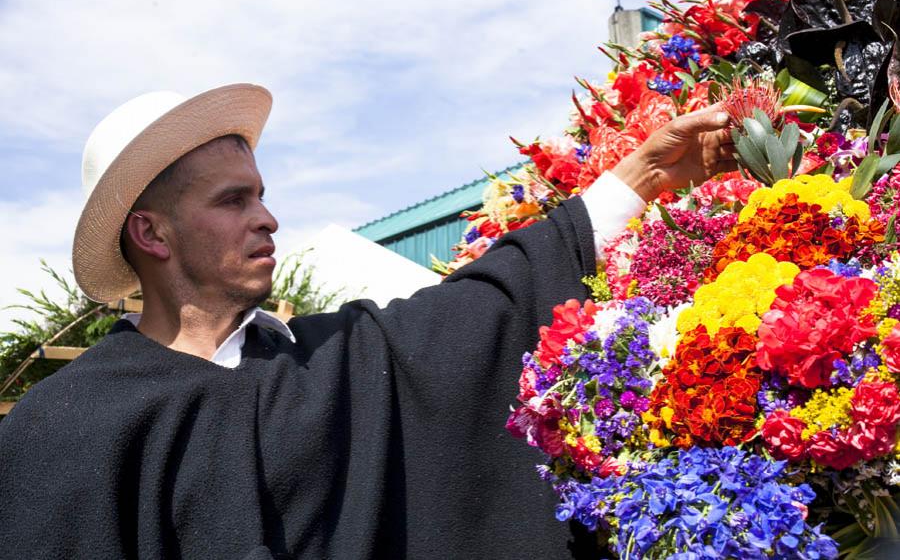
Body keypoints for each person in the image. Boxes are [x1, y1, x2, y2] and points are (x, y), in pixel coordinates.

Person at [0, 84, 734, 559]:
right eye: (233, 200)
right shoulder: (63, 429)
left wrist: (640, 179)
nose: (268, 218)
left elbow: (484, 306)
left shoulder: (342, 362)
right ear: (151, 233)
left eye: (260, 193)